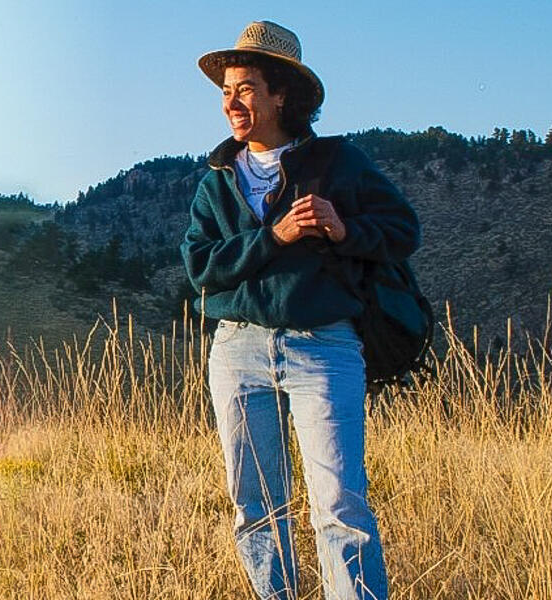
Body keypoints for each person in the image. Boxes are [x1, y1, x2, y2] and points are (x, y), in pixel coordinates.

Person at [180, 21, 420, 600]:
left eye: (244, 88)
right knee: (255, 505)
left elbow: (403, 229)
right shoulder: (216, 180)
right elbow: (200, 267)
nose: (230, 102)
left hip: (324, 345)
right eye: (225, 92)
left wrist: (344, 227)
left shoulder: (339, 161)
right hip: (236, 349)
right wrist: (276, 237)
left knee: (339, 503)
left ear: (281, 93)